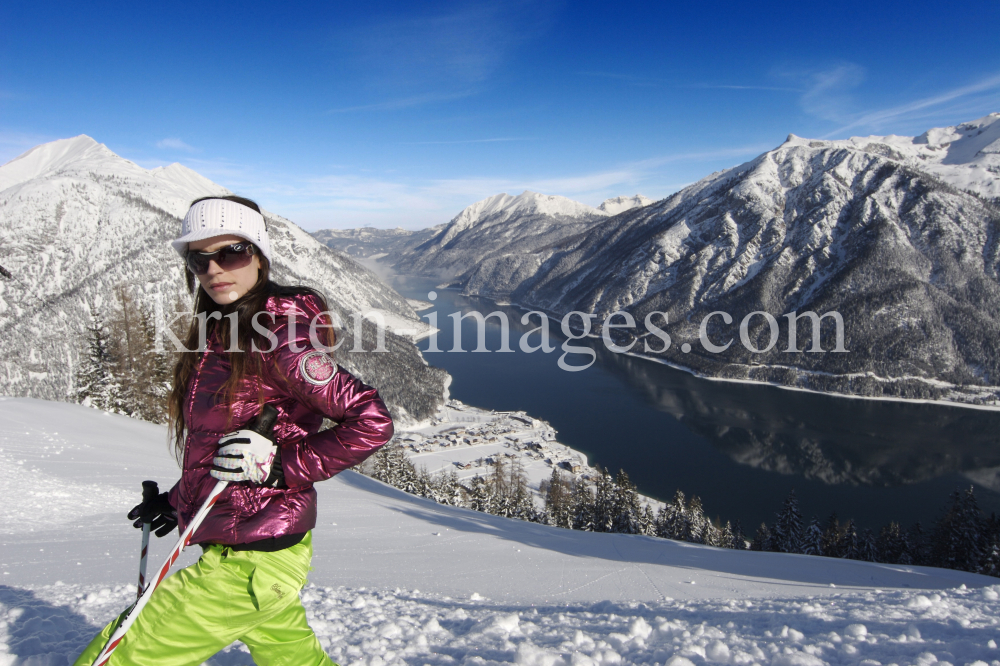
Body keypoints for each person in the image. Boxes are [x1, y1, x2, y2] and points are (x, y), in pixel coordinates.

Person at [74, 195, 394, 666]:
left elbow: (371, 420)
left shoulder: (276, 334)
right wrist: (179, 498)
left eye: (231, 253)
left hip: (249, 560)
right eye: (199, 259)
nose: (213, 269)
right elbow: (226, 448)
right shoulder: (221, 330)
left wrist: (282, 466)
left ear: (260, 257)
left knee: (116, 656)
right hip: (259, 547)